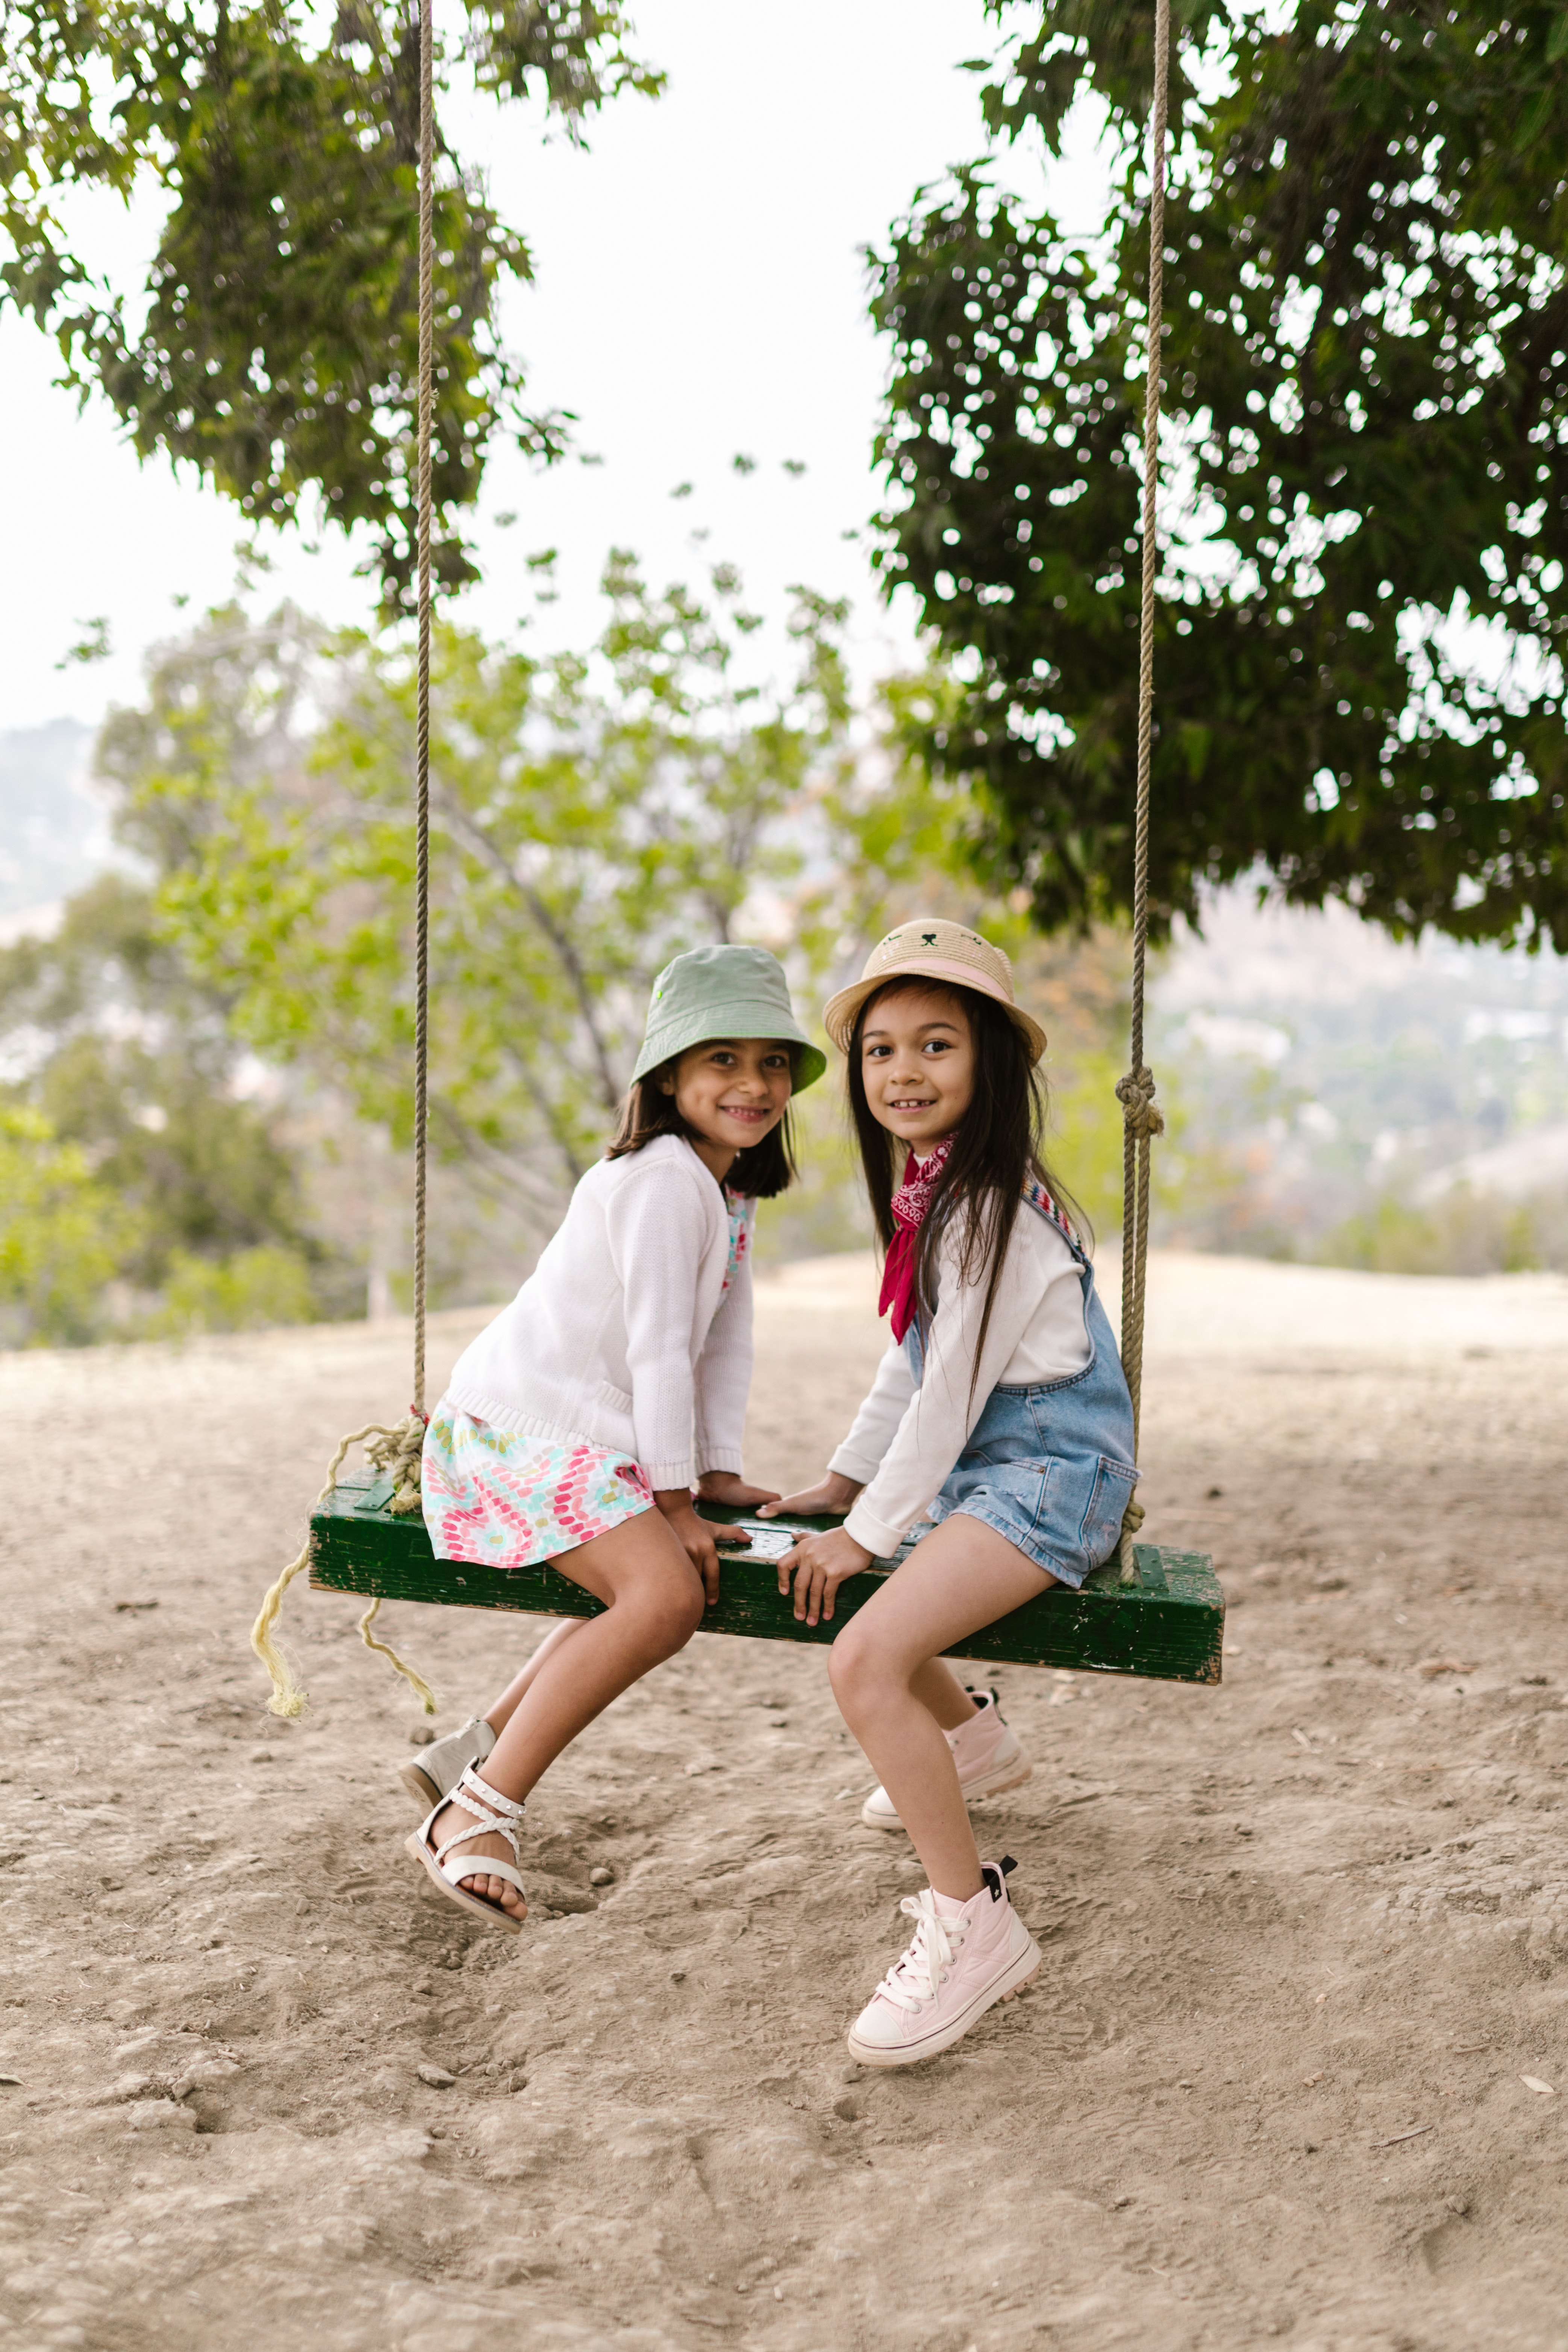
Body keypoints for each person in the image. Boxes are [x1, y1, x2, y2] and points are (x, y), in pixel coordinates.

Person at [759, 919, 1137, 2065]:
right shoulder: (944, 1191)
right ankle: (969, 1745)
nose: (903, 1072)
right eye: (880, 1051)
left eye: (935, 1046)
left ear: (990, 1066)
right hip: (995, 1460)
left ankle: (975, 1925)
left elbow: (954, 1393)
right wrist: (843, 1482)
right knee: (869, 1605)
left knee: (862, 1657)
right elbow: (911, 1362)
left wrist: (865, 1533)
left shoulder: (989, 1208)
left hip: (1050, 1472)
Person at [402, 944, 825, 1931]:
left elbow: (723, 1346)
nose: (752, 1084)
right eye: (721, 1060)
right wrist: (669, 1503)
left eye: (771, 1063)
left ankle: (471, 1749)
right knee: (665, 1593)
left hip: (576, 1436)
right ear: (668, 1076)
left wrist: (709, 1473)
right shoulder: (660, 1179)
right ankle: (478, 1809)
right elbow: (658, 1348)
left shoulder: (723, 1191)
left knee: (640, 1590)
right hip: (523, 1430)